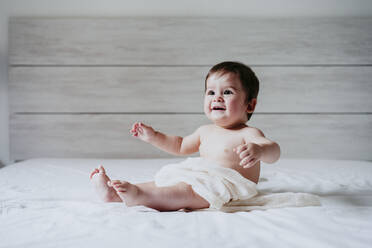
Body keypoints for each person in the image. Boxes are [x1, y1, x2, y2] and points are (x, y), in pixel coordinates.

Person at [90, 61, 280, 211]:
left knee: (184, 192)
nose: (217, 98)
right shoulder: (204, 131)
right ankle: (115, 195)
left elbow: (274, 151)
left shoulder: (248, 133)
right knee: (163, 183)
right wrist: (153, 136)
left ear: (250, 105)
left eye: (227, 92)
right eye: (211, 92)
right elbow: (180, 145)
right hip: (200, 177)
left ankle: (140, 197)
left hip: (224, 187)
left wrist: (260, 150)